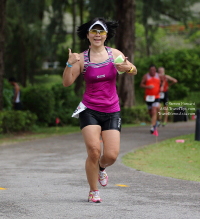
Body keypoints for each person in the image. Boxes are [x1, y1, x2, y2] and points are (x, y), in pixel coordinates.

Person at [62, 17, 137, 203]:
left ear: (106, 35)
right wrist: (69, 64)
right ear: (87, 35)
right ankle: (93, 191)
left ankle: (101, 168)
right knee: (94, 151)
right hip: (89, 109)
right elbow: (67, 82)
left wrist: (127, 68)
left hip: (112, 110)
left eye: (101, 31)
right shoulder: (81, 58)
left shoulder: (114, 54)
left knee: (110, 155)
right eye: (93, 31)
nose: (97, 35)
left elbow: (133, 70)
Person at [140, 65, 164, 136]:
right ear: (149, 70)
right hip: (148, 97)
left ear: (155, 70)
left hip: (156, 96)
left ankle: (153, 127)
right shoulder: (146, 76)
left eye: (154, 70)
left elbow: (164, 81)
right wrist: (147, 86)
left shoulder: (159, 76)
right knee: (150, 113)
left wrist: (162, 86)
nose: (152, 71)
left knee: (154, 111)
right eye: (151, 70)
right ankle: (154, 122)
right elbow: (141, 85)